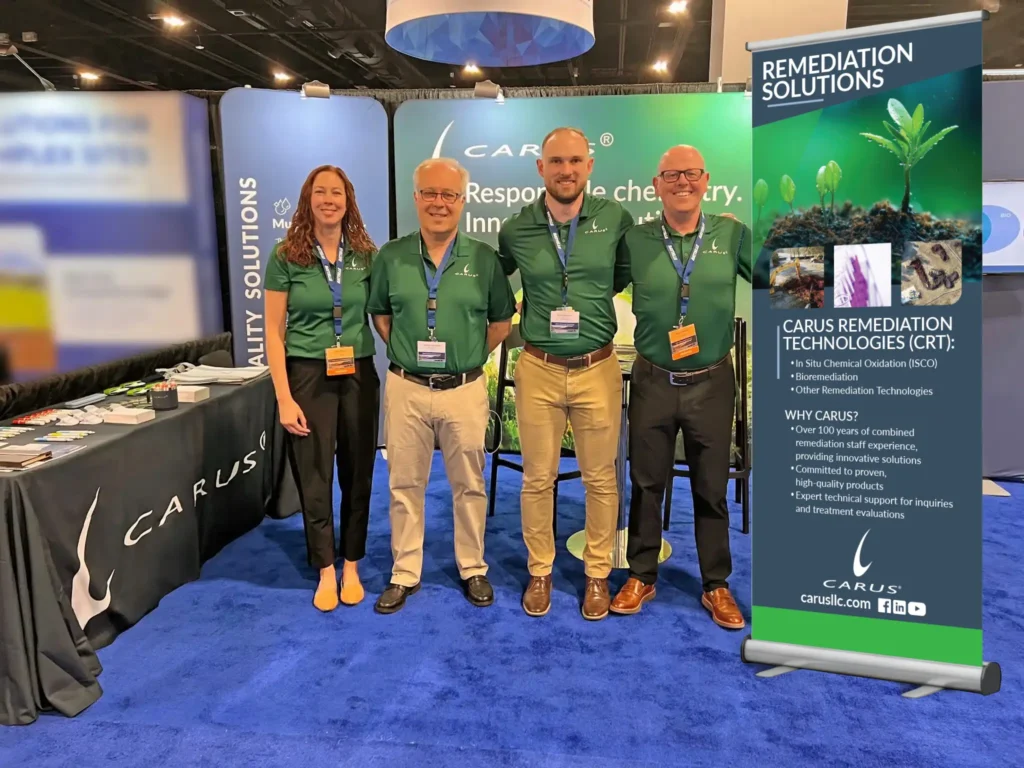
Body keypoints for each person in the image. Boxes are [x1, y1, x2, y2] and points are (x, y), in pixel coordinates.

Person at [609, 144, 751, 630]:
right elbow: (591, 283)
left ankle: (716, 584)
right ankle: (641, 574)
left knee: (711, 488)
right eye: (671, 175)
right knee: (646, 482)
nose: (681, 182)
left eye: (690, 174)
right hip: (652, 379)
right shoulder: (637, 239)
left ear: (706, 180)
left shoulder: (731, 233)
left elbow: (789, 277)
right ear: (657, 185)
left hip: (711, 381)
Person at [367, 157, 515, 614]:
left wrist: (466, 360)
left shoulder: (484, 258)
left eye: (448, 194)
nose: (438, 203)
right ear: (416, 198)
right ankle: (404, 571)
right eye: (429, 193)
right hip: (407, 386)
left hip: (464, 388)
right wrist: (414, 357)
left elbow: (500, 322)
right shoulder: (391, 256)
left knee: (469, 483)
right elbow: (381, 317)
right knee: (404, 483)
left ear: (462, 201)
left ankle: (472, 567)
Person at [497, 127, 634, 621]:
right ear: (541, 168)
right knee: (538, 479)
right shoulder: (516, 229)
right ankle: (540, 571)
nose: (566, 170)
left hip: (598, 366)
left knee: (601, 479)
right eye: (556, 161)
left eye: (575, 160)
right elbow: (499, 284)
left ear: (590, 166)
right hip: (538, 367)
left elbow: (619, 275)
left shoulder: (615, 218)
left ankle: (597, 574)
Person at [264, 164, 380, 613]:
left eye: (337, 192)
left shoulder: (365, 255)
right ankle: (326, 568)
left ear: (348, 200)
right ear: (307, 199)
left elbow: (382, 316)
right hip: (307, 374)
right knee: (314, 476)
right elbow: (274, 332)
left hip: (357, 373)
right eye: (320, 192)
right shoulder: (286, 255)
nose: (328, 199)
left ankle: (352, 563)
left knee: (358, 472)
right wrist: (283, 396)